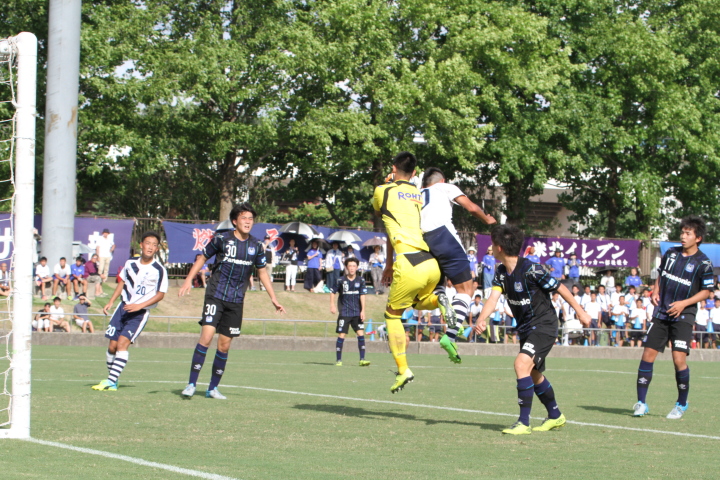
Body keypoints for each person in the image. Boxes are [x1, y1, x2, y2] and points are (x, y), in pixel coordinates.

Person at [473, 224, 590, 435]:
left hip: (544, 325)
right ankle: (555, 416)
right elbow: (493, 298)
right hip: (526, 327)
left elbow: (561, 287)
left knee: (521, 364)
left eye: (492, 244)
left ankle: (523, 422)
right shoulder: (501, 272)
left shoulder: (531, 269)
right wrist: (482, 318)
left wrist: (580, 312)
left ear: (499, 247)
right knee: (533, 373)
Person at [178, 204, 285, 399]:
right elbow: (203, 257)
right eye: (244, 218)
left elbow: (261, 272)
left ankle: (212, 388)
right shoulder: (221, 239)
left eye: (251, 219)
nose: (248, 222)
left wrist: (273, 297)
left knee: (224, 345)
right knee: (207, 337)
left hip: (236, 300)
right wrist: (187, 279)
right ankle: (191, 384)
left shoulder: (256, 246)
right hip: (216, 295)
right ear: (235, 221)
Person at [372, 152, 443, 393]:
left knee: (393, 316)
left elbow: (382, 211)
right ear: (414, 173)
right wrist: (389, 264)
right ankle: (440, 299)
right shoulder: (419, 193)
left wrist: (387, 180)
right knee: (421, 302)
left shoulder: (383, 190)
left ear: (393, 168)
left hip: (408, 261)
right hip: (431, 262)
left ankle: (403, 369)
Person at [633, 215, 713, 419]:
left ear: (698, 238)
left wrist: (684, 304)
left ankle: (681, 404)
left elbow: (706, 292)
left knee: (678, 360)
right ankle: (641, 403)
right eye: (682, 232)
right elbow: (661, 274)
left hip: (684, 315)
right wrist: (656, 290)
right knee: (647, 356)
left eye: (688, 233)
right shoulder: (671, 253)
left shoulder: (703, 263)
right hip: (661, 313)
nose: (683, 236)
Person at [420, 167, 497, 362]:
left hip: (421, 241)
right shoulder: (444, 187)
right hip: (444, 238)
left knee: (438, 288)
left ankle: (450, 314)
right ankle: (451, 335)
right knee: (466, 289)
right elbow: (471, 207)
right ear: (442, 180)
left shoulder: (416, 193)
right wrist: (487, 219)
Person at [91, 231, 168, 392]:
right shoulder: (130, 263)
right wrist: (111, 302)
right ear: (141, 245)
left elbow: (160, 294)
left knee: (122, 344)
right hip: (122, 308)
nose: (150, 247)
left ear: (157, 249)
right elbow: (122, 282)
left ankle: (111, 382)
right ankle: (113, 379)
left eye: (154, 245)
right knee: (112, 347)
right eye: (148, 243)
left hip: (139, 314)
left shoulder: (159, 269)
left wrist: (140, 306)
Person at [330, 258, 370, 367]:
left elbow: (362, 295)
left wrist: (363, 310)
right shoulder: (340, 280)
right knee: (342, 335)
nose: (352, 268)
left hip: (357, 313)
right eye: (350, 266)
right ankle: (339, 360)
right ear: (347, 267)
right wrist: (332, 305)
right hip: (344, 312)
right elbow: (333, 292)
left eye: (354, 266)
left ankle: (362, 359)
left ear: (357, 267)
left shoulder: (360, 280)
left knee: (360, 333)